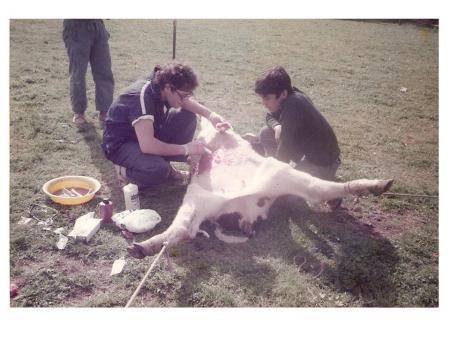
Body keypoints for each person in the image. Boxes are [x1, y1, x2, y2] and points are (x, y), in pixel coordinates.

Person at [102, 62, 230, 188]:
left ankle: (163, 163)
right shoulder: (142, 97)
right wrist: (186, 148)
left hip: (143, 134)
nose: (185, 99)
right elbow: (147, 145)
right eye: (183, 95)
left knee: (187, 117)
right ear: (169, 88)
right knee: (157, 170)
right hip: (121, 144)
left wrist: (212, 116)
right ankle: (124, 171)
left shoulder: (162, 84)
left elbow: (185, 102)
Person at [245, 66, 341, 181]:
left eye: (267, 98)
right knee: (265, 132)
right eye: (262, 98)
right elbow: (269, 116)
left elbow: (285, 148)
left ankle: (329, 185)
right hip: (306, 148)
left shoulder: (294, 105)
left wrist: (272, 175)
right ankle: (276, 165)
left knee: (287, 194)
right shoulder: (289, 94)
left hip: (323, 163)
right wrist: (277, 126)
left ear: (283, 94)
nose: (264, 103)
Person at [62, 19, 114, 125]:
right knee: (78, 74)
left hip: (97, 25)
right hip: (76, 26)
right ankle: (78, 112)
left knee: (104, 71)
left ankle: (105, 110)